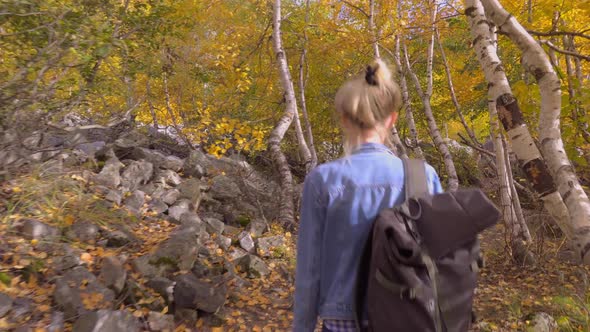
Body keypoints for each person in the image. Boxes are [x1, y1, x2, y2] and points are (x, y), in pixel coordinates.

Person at [293, 59, 443, 332]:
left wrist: (302, 327)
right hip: (408, 316)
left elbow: (309, 269)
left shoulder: (323, 180)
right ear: (392, 119)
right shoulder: (424, 175)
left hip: (342, 320)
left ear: (344, 118)